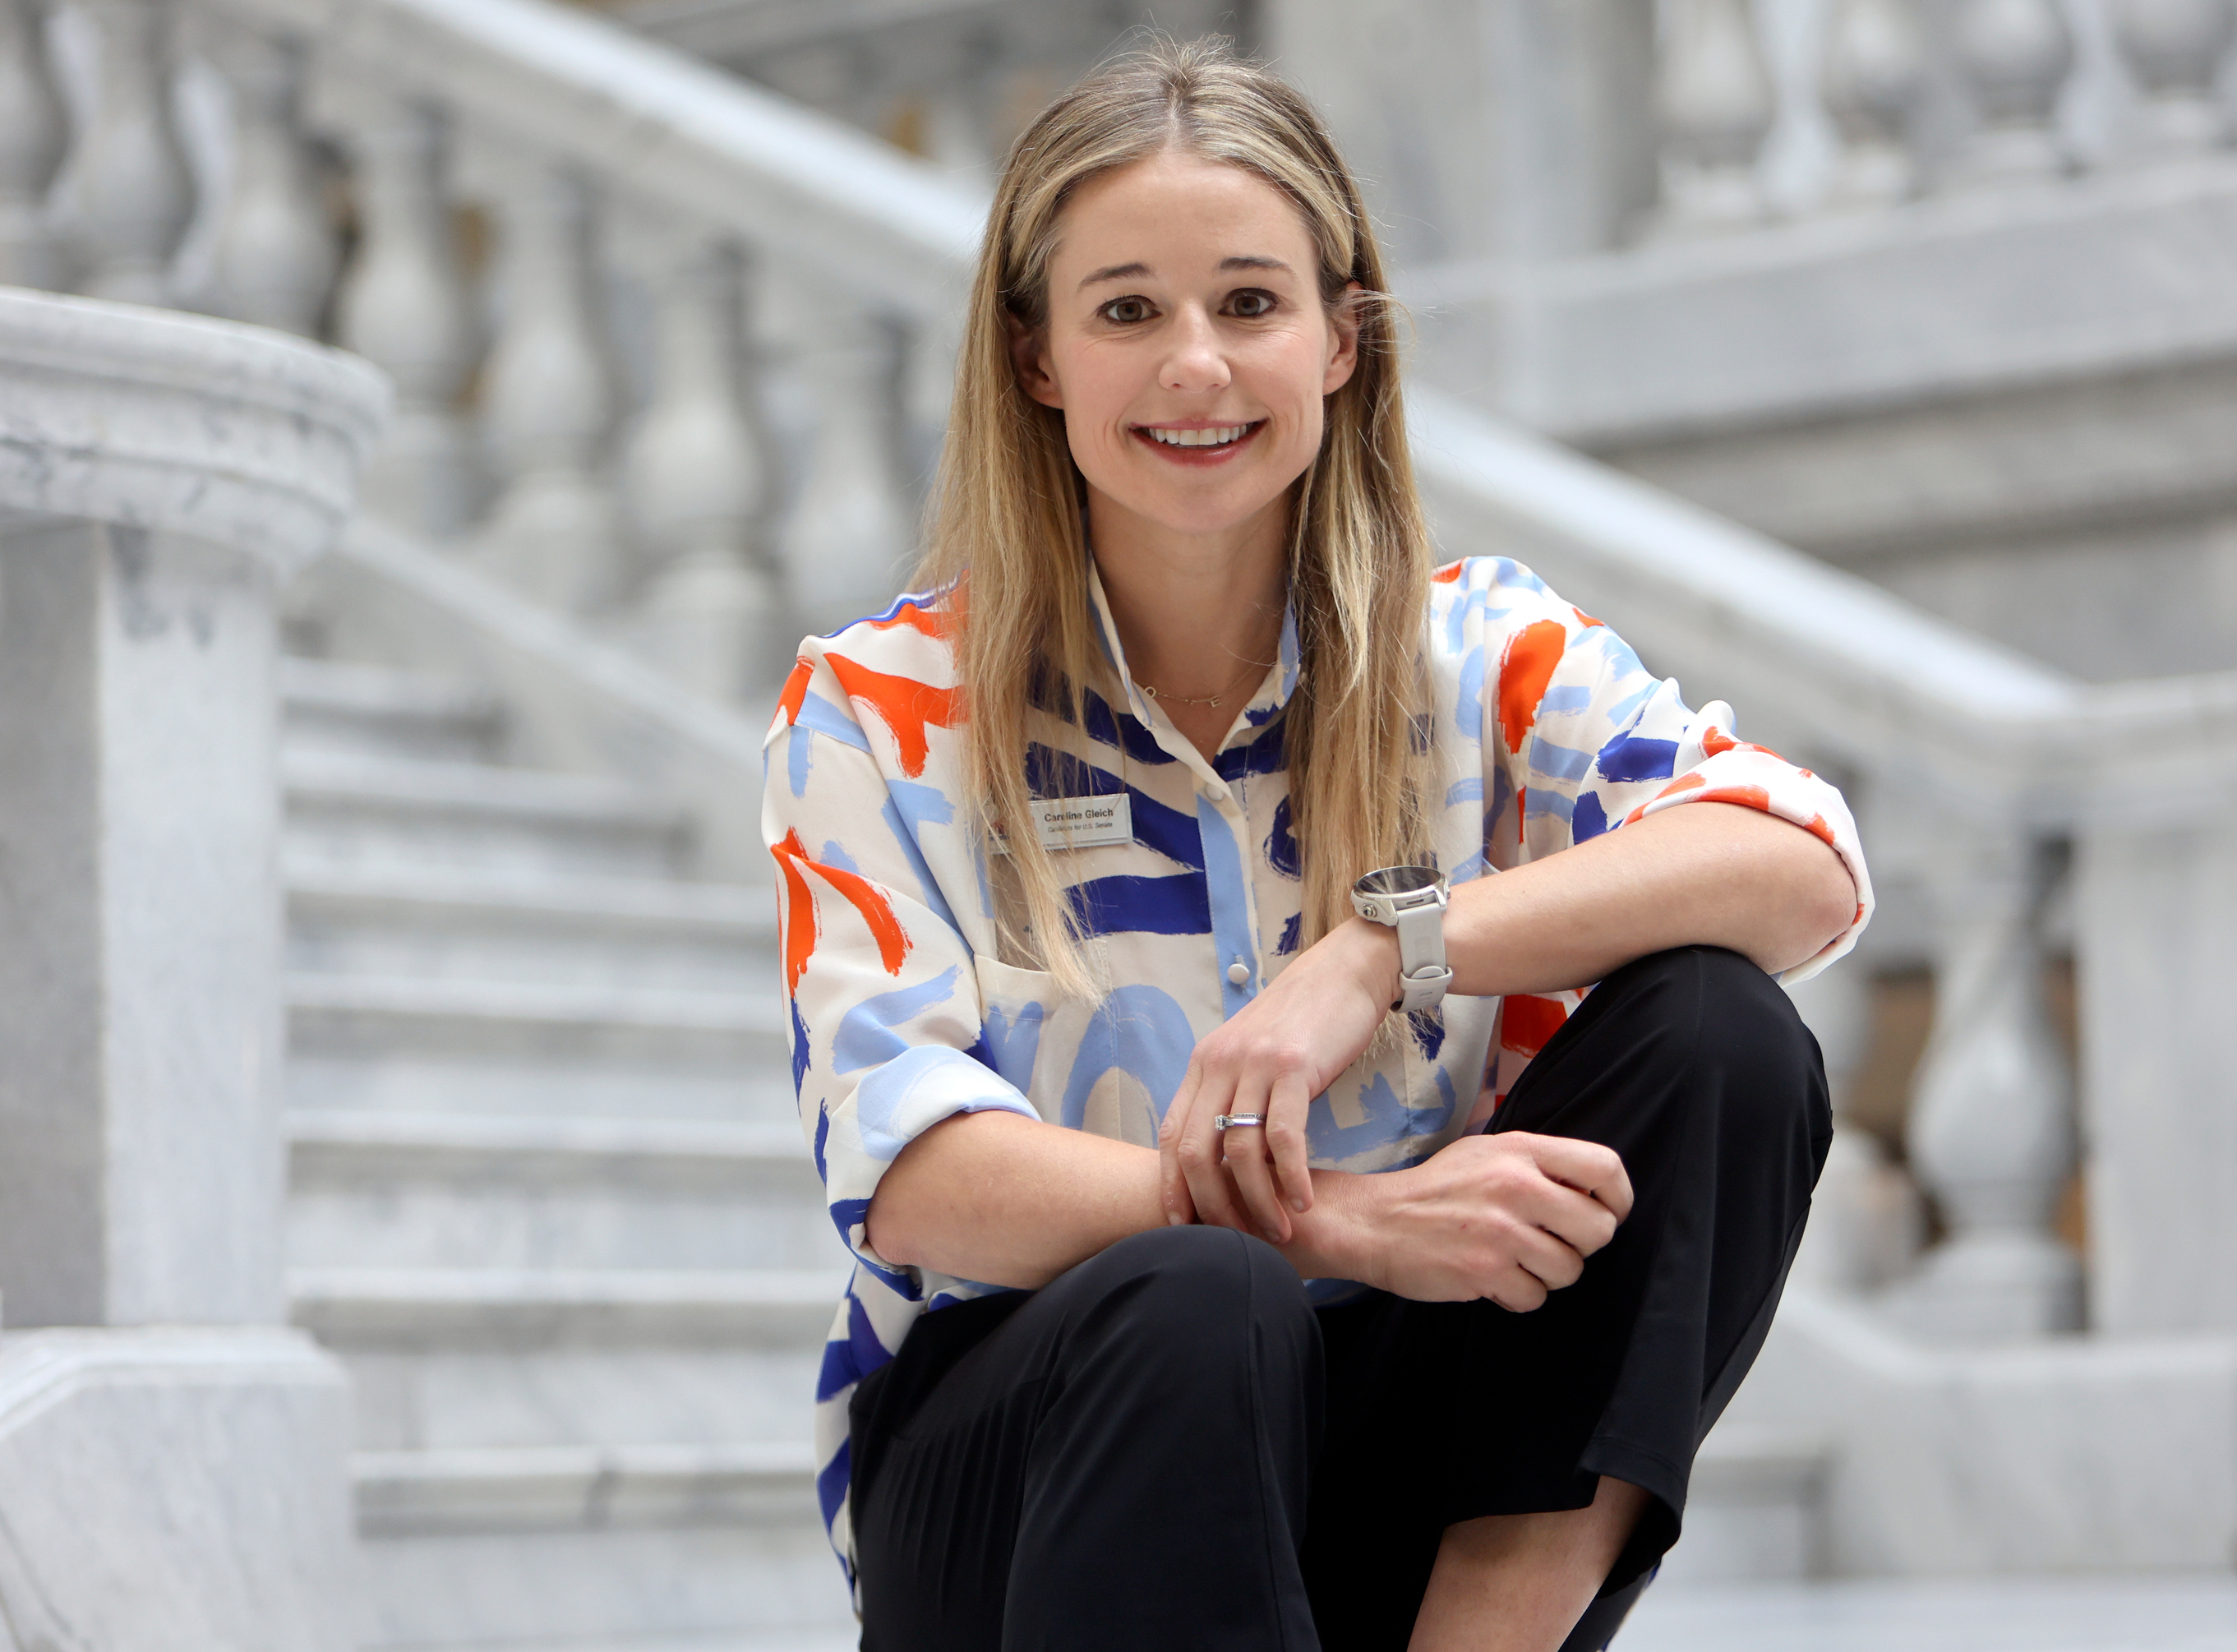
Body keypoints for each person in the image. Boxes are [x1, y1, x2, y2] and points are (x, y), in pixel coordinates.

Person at [763, 38, 1870, 1652]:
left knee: (1724, 1035)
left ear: (1342, 340)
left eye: (1252, 304)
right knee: (1209, 1292)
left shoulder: (1479, 654)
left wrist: (1389, 950)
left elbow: (1805, 859)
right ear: (1038, 360)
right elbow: (915, 1172)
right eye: (1129, 309)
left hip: (1382, 1457)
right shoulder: (880, 708)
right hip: (1030, 1473)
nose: (1197, 365)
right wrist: (1330, 1223)